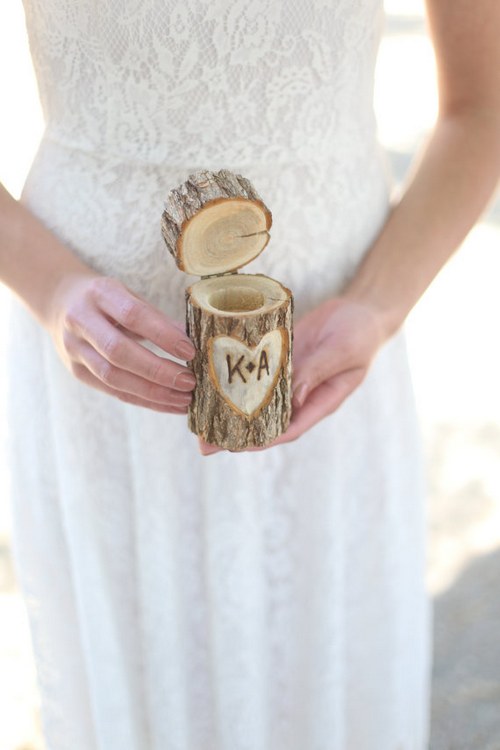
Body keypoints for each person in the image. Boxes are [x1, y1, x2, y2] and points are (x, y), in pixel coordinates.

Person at [1, 0, 499, 748]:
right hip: (96, 371)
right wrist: (48, 288)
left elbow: (481, 108)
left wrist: (378, 306)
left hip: (332, 361)